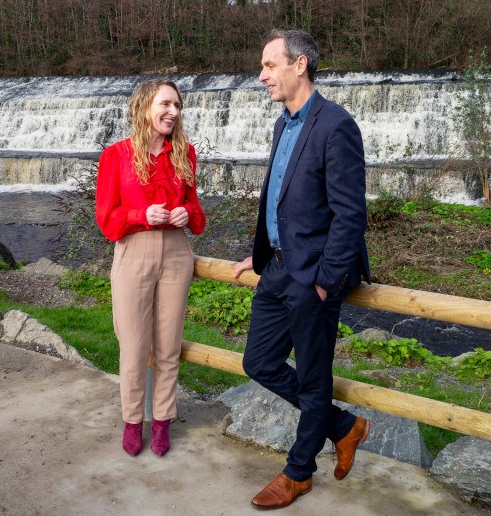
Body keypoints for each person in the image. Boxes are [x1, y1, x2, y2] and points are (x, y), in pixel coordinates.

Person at [233, 29, 372, 510]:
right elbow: (286, 199)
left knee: (313, 379)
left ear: (300, 65)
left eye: (269, 65)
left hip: (313, 278)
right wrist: (262, 251)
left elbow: (350, 214)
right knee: (258, 362)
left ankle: (298, 473)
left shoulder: (336, 125)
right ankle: (343, 426)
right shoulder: (284, 124)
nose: (262, 75)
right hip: (277, 268)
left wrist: (324, 282)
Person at [96, 78, 206, 458]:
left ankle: (162, 422)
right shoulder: (116, 155)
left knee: (168, 347)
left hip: (177, 254)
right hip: (134, 252)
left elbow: (199, 217)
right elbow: (107, 220)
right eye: (165, 104)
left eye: (177, 105)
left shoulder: (185, 154)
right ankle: (131, 421)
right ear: (145, 107)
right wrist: (141, 213)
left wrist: (185, 212)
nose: (173, 112)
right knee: (134, 348)